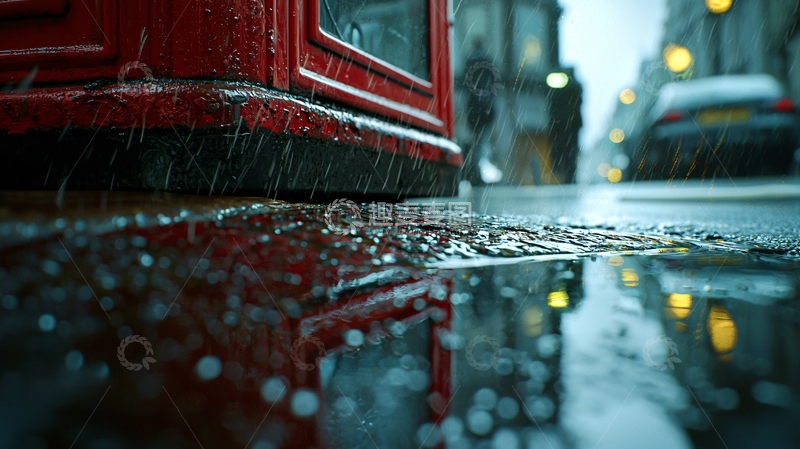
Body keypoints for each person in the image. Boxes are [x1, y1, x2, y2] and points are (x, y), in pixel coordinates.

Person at [464, 40, 503, 185]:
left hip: (474, 110)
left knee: (476, 142)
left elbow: (466, 86)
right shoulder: (488, 63)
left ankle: (475, 172)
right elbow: (495, 85)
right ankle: (478, 172)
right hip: (486, 110)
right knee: (481, 142)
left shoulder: (470, 63)